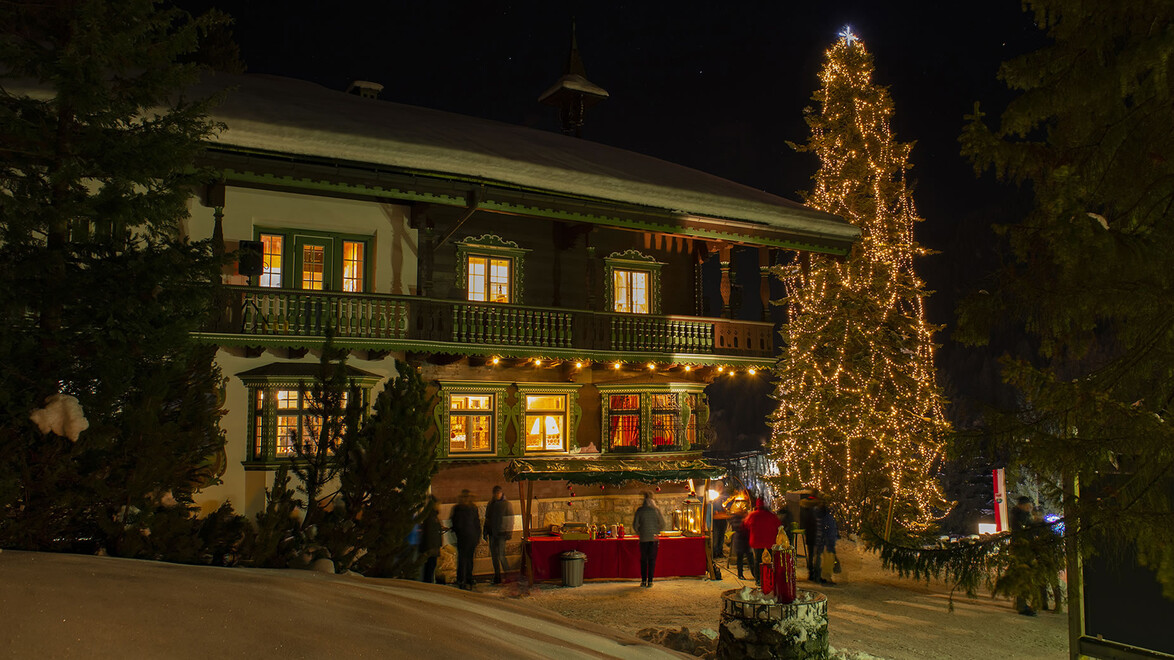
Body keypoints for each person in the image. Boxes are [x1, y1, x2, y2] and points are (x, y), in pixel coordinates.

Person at [1010, 496, 1040, 615]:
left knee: (1024, 576)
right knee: (1023, 576)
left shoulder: (1021, 515)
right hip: (1022, 549)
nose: (1030, 508)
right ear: (1021, 505)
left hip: (1024, 548)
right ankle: (1022, 605)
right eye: (1028, 506)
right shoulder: (1020, 516)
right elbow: (1026, 530)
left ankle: (1021, 603)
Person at [632, 491, 665, 587]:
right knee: (652, 560)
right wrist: (656, 531)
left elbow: (635, 525)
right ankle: (650, 581)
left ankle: (643, 581)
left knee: (643, 560)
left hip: (643, 539)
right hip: (654, 538)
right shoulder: (656, 510)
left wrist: (640, 533)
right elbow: (663, 524)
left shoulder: (640, 510)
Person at [450, 489, 481, 590]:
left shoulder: (458, 508)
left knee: (463, 559)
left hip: (463, 537)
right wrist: (477, 536)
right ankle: (468, 577)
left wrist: (457, 531)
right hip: (471, 537)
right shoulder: (472, 508)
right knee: (469, 559)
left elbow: (455, 522)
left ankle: (462, 579)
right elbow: (477, 524)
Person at [744, 498, 780, 585]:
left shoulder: (752, 515)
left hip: (757, 541)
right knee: (770, 561)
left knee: (758, 560)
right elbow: (778, 525)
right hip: (769, 542)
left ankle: (759, 579)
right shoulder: (772, 515)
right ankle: (769, 577)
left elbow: (746, 525)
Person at [483, 485, 513, 584]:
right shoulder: (491, 504)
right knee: (495, 556)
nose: (497, 495)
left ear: (501, 493)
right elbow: (487, 519)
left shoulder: (506, 504)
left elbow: (510, 519)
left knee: (501, 555)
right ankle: (497, 576)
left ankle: (508, 575)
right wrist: (485, 532)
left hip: (501, 533)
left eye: (498, 493)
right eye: (496, 493)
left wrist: (509, 532)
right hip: (493, 533)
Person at [812, 502, 839, 585]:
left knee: (818, 558)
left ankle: (818, 576)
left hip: (818, 540)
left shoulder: (815, 517)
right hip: (826, 541)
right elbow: (831, 531)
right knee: (827, 559)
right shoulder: (828, 518)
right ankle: (825, 577)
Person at [419, 496, 443, 584]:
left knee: (430, 568)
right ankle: (428, 585)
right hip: (431, 548)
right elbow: (430, 533)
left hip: (432, 548)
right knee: (429, 568)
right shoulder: (431, 516)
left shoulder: (432, 515)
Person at [799, 493, 820, 580]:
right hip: (816, 535)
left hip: (810, 535)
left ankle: (811, 572)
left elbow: (803, 523)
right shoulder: (817, 512)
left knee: (811, 554)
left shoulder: (805, 511)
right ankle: (816, 572)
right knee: (817, 554)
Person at [731, 512, 752, 579]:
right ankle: (740, 574)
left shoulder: (742, 520)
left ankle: (742, 574)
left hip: (744, 541)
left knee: (746, 558)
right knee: (742, 558)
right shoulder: (738, 520)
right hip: (741, 541)